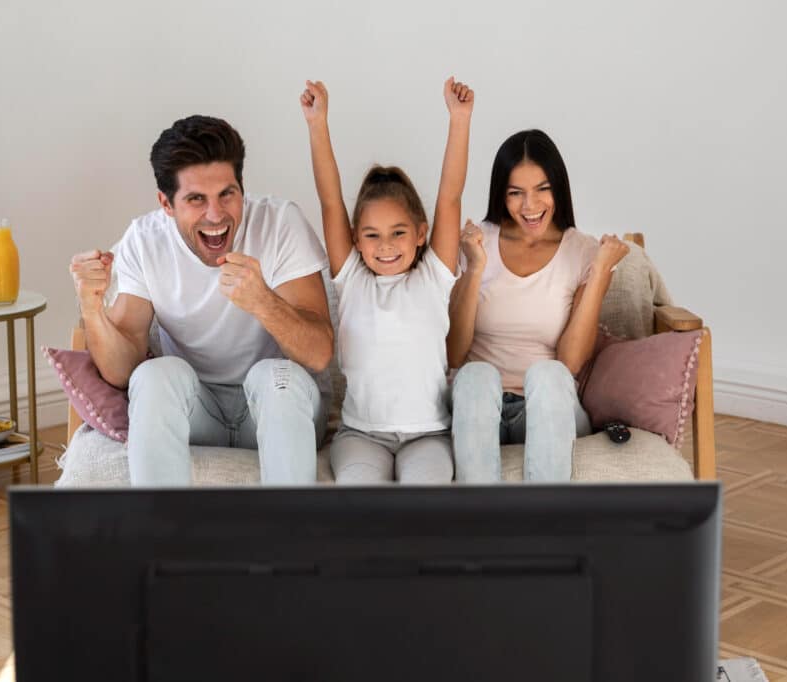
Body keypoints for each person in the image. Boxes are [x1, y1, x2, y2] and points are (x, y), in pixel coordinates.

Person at [69, 115, 334, 486]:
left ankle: (284, 538)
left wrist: (263, 302)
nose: (216, 215)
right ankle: (165, 535)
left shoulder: (279, 223)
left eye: (227, 193)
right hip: (198, 412)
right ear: (166, 203)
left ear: (242, 187)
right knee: (153, 374)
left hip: (279, 407)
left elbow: (319, 353)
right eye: (196, 199)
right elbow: (122, 370)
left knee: (277, 376)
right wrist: (91, 307)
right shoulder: (145, 240)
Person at [300, 77, 473, 484]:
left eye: (398, 232)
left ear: (421, 233)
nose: (386, 246)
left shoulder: (435, 276)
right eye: (372, 235)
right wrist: (317, 124)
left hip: (428, 435)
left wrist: (460, 120)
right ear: (356, 240)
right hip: (361, 435)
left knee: (421, 507)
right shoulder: (352, 279)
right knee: (363, 506)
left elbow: (450, 196)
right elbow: (330, 200)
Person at [447, 129, 629, 482]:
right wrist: (475, 267)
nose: (530, 207)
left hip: (547, 409)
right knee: (473, 374)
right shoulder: (475, 242)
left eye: (542, 190)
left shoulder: (583, 251)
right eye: (516, 193)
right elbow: (454, 355)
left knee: (547, 375)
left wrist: (600, 272)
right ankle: (480, 522)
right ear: (501, 194)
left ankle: (544, 523)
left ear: (558, 188)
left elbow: (571, 362)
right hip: (479, 408)